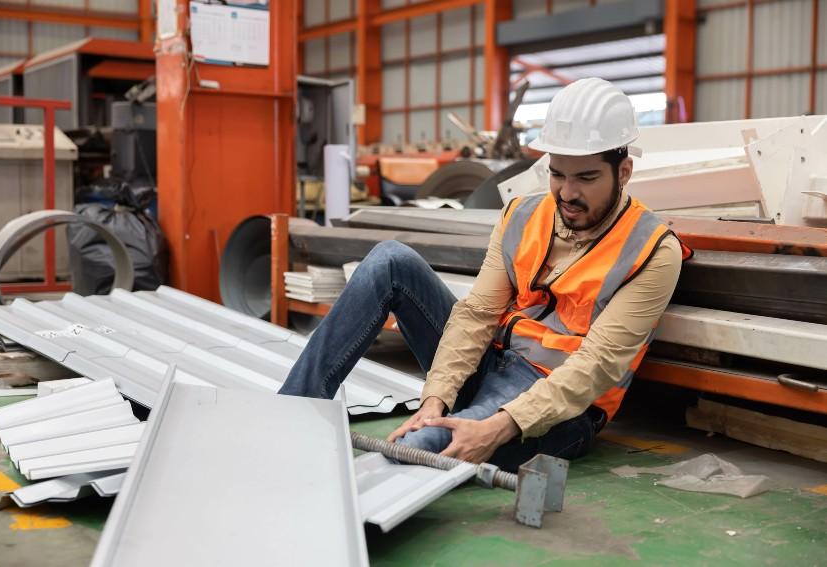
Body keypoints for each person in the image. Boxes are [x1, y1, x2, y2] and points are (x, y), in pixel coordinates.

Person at [279, 78, 693, 472]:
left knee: (419, 447)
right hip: (492, 363)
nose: (567, 193)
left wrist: (496, 427)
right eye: (557, 173)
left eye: (586, 178)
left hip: (557, 405)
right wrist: (436, 398)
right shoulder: (523, 215)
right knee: (390, 261)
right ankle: (288, 413)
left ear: (623, 172)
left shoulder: (653, 251)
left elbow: (596, 366)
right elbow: (477, 313)